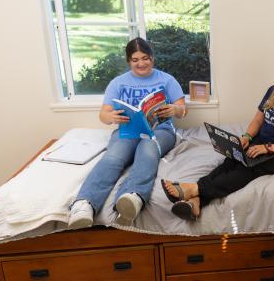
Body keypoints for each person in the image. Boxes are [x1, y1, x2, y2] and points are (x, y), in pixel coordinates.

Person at [162, 52, 274, 220]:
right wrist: (246, 137)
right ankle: (196, 202)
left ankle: (195, 189)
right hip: (261, 143)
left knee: (248, 169)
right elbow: (257, 121)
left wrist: (268, 148)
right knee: (232, 159)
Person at [68, 37, 186, 228]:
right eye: (135, 59)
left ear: (152, 58)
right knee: (112, 158)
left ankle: (133, 196)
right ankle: (84, 204)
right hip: (128, 131)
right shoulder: (118, 83)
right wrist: (111, 116)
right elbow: (103, 115)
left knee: (147, 150)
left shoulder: (166, 80)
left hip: (161, 130)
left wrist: (174, 109)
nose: (141, 63)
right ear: (129, 61)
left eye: (145, 58)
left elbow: (183, 110)